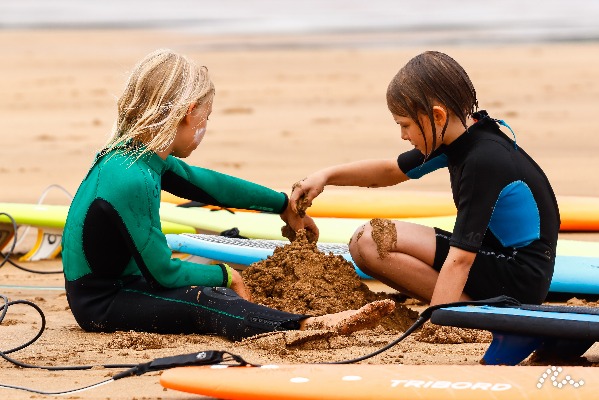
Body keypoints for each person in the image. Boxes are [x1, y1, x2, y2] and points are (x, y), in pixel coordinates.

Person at [61, 49, 394, 342]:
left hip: (127, 280)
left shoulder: (136, 156)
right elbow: (163, 273)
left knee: (210, 282)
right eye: (206, 116)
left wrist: (283, 205)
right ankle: (310, 324)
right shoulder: (133, 178)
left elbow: (210, 186)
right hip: (103, 301)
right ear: (189, 112)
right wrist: (226, 274)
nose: (205, 125)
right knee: (205, 299)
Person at [289, 51, 560, 307]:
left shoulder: (482, 160)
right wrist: (325, 176)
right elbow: (389, 171)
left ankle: (461, 310)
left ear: (437, 116)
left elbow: (461, 258)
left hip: (518, 277)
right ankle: (462, 305)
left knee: (371, 241)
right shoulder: (459, 137)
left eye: (404, 125)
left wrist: (439, 321)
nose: (403, 136)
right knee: (365, 244)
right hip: (496, 259)